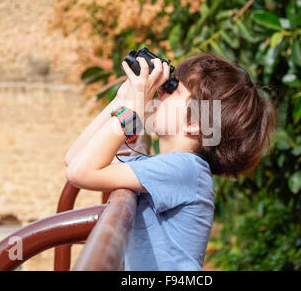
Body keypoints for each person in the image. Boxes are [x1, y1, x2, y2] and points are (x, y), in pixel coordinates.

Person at [64, 51, 277, 270]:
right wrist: (123, 100)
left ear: (195, 123)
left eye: (173, 89)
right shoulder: (161, 166)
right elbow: (75, 160)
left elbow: (80, 172)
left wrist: (133, 111)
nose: (160, 93)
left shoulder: (186, 169)